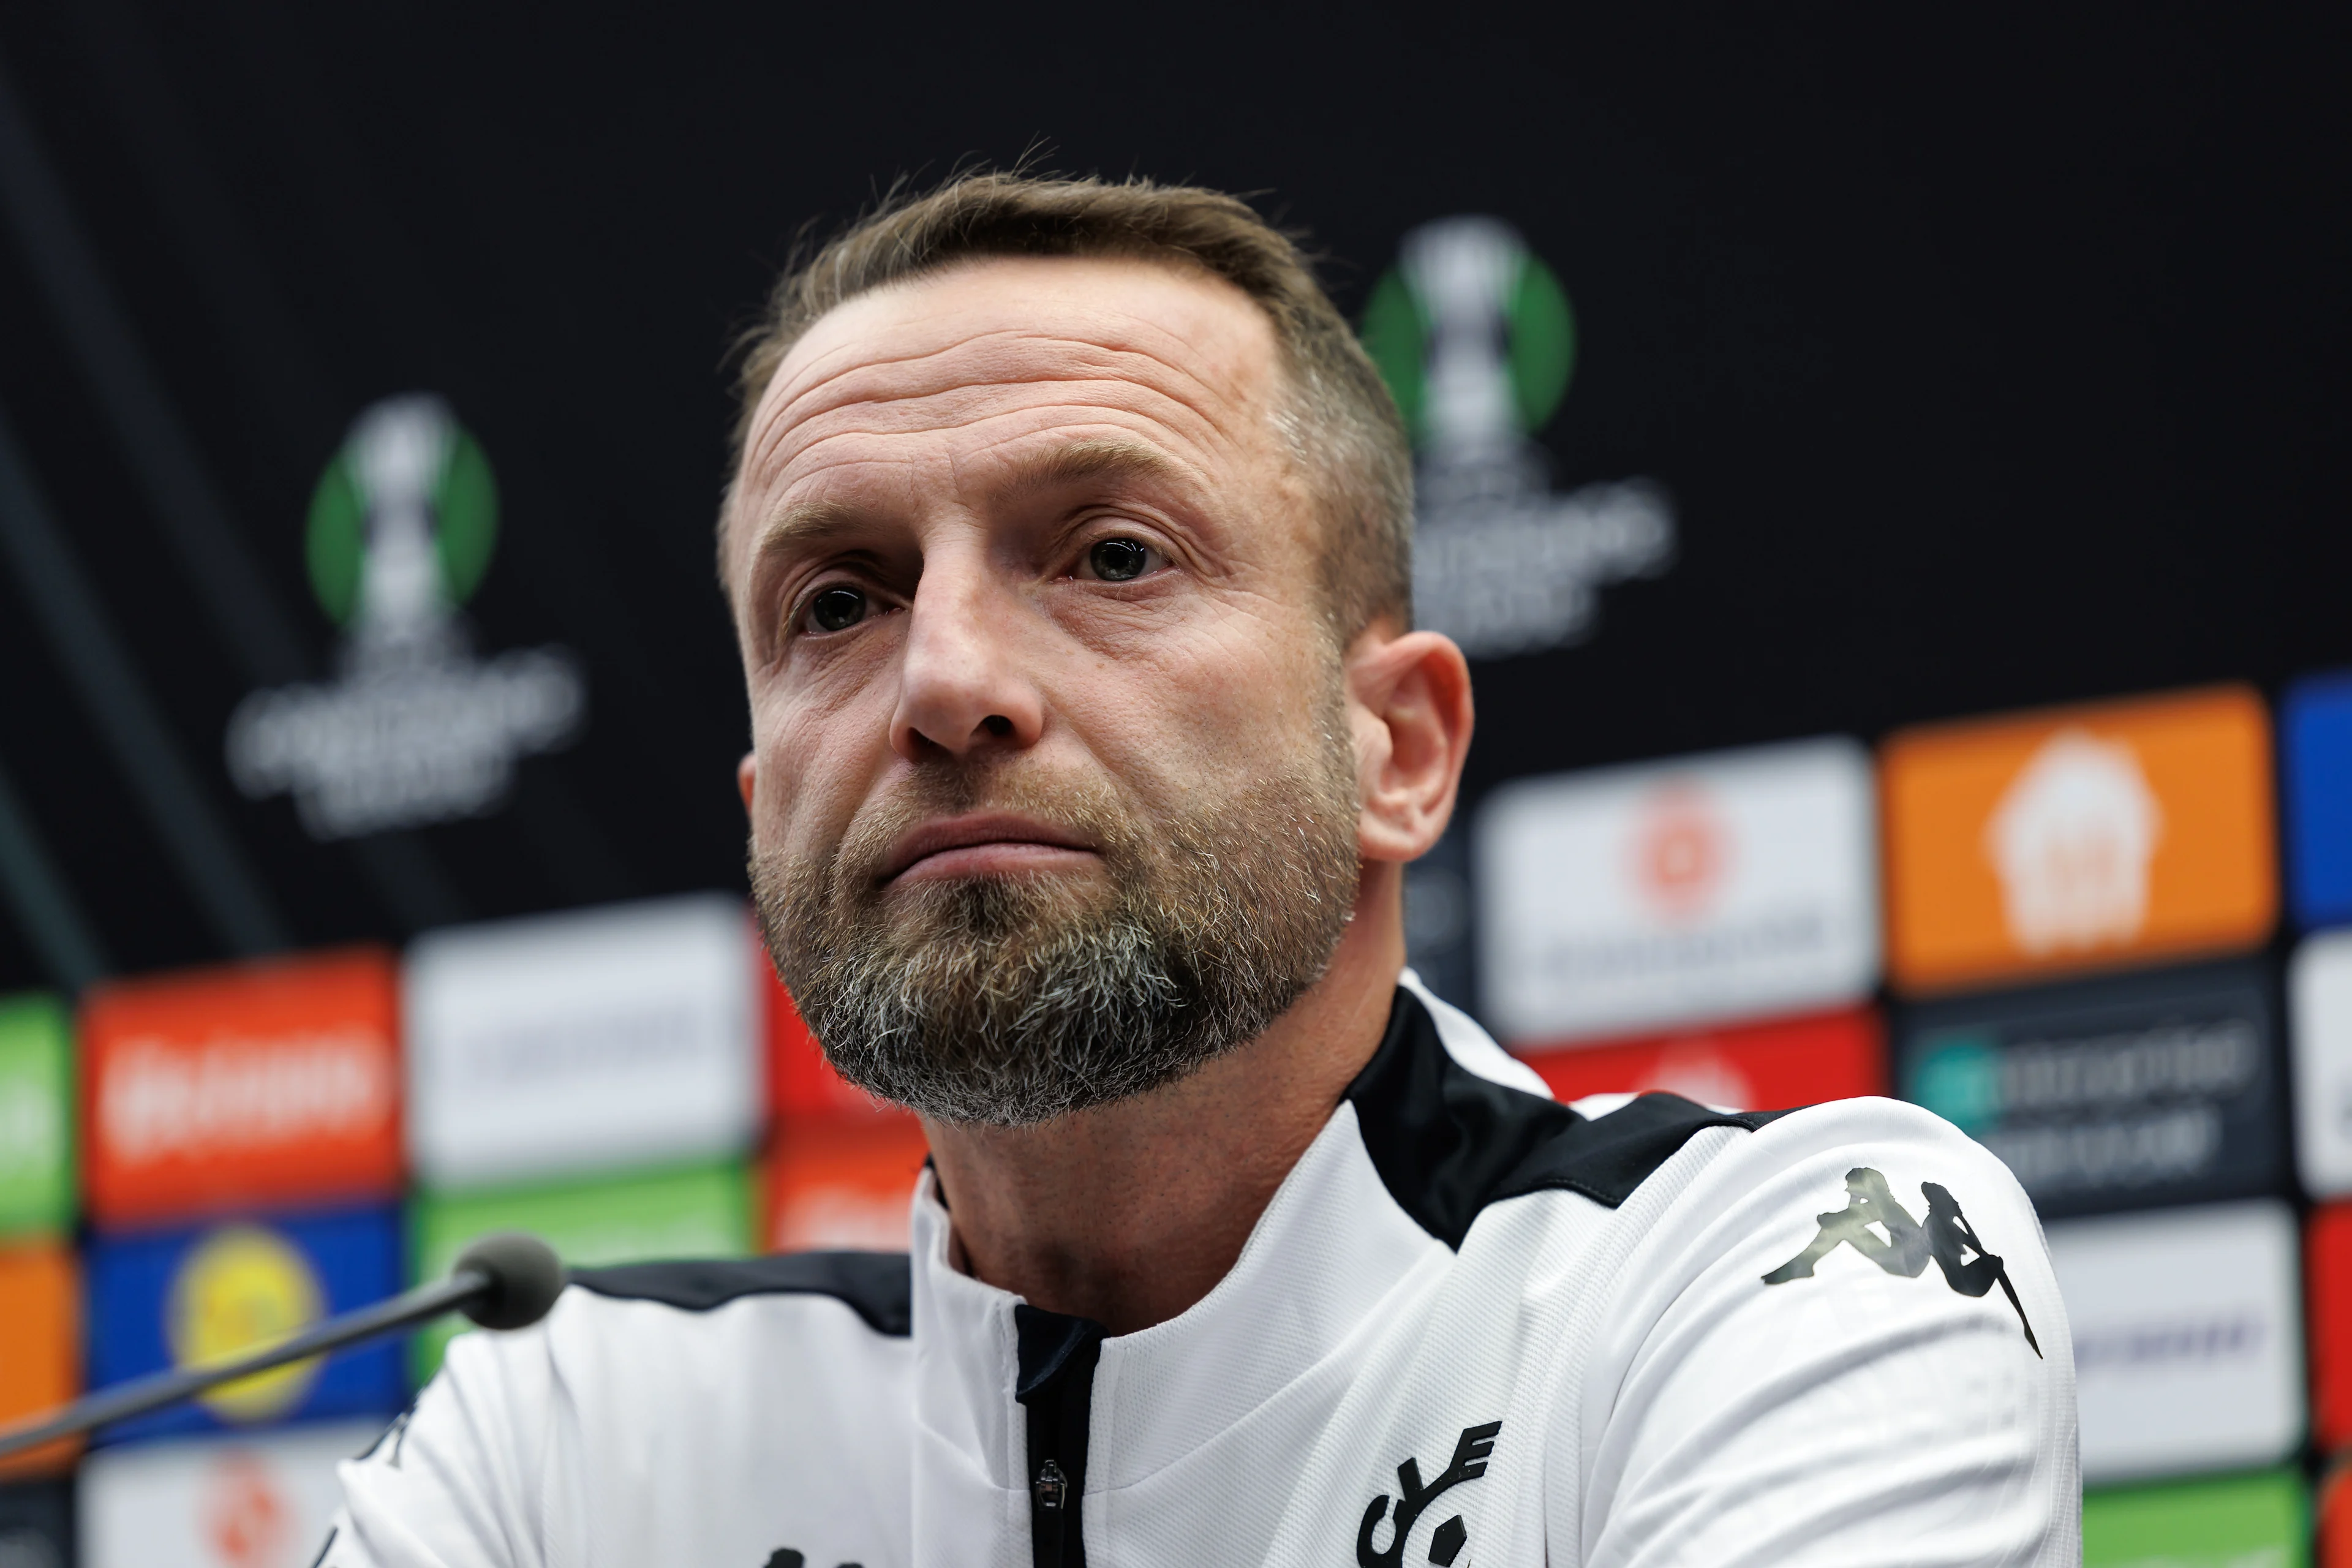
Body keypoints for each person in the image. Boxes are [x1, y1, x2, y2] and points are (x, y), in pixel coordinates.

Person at [323, 172, 2077, 1566]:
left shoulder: (1785, 1277)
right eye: (839, 600)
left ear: (1396, 747)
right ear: (762, 794)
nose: (942, 681)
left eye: (1111, 552)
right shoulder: (569, 1433)